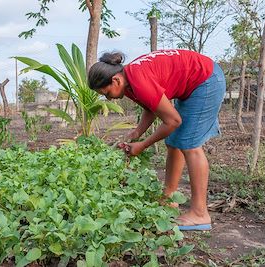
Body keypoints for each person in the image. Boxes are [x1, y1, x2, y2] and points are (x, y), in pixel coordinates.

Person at [88, 49, 226, 231]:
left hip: (206, 80)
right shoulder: (128, 80)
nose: (108, 98)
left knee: (189, 144)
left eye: (106, 93)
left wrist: (143, 145)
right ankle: (168, 198)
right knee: (174, 142)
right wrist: (136, 133)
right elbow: (152, 107)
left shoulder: (137, 80)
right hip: (195, 82)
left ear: (115, 80)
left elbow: (173, 121)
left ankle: (200, 214)